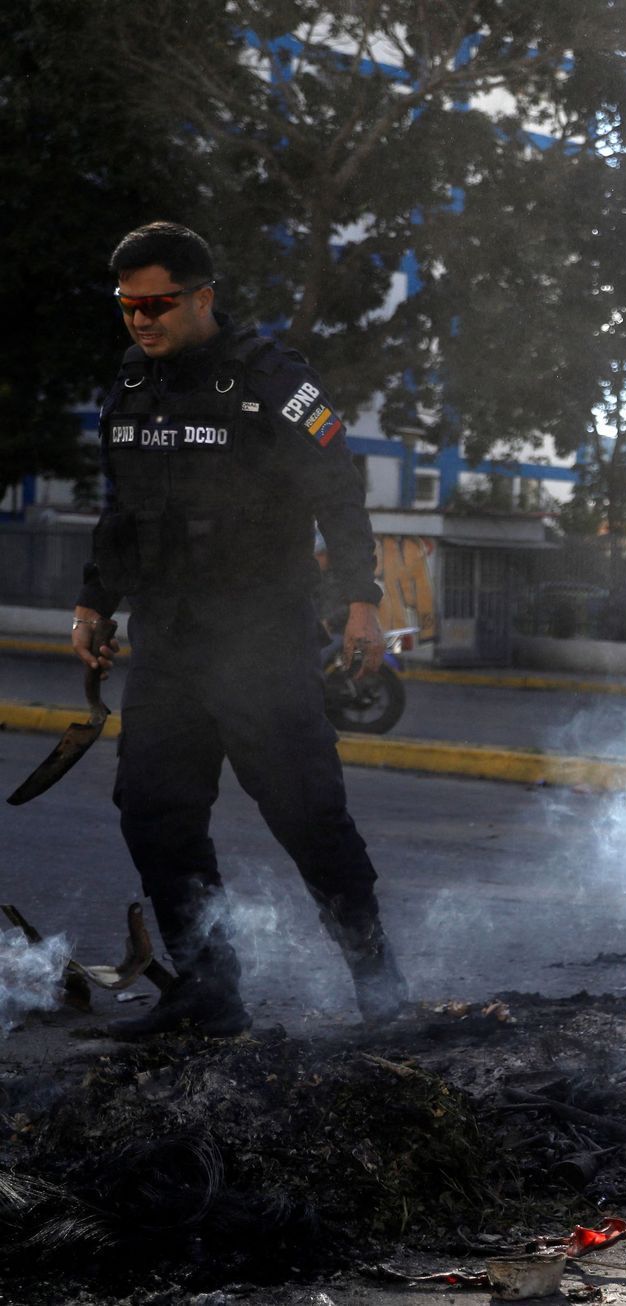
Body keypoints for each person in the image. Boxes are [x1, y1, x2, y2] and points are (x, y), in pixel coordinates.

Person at [73, 222, 406, 1039]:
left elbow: (338, 487)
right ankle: (209, 991)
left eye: (155, 304)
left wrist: (361, 597)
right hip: (170, 640)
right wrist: (94, 600)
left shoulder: (270, 379)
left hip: (260, 636)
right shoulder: (129, 382)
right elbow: (124, 512)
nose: (140, 320)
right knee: (154, 811)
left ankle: (380, 990)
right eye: (127, 306)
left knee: (306, 813)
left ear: (202, 297)